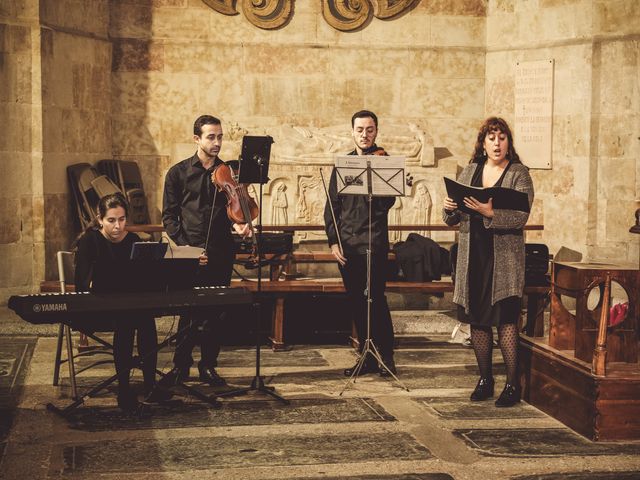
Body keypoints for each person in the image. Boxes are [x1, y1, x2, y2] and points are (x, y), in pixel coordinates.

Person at [443, 117, 534, 407]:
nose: (497, 143)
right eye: (491, 138)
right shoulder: (470, 170)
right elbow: (451, 219)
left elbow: (521, 217)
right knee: (478, 320)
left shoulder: (519, 173)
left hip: (504, 259)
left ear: (509, 142)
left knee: (506, 319)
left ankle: (511, 384)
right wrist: (448, 210)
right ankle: (485, 378)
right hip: (473, 256)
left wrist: (490, 213)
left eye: (502, 137)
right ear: (483, 144)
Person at [161, 115, 250, 387]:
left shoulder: (229, 172)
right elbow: (169, 217)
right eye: (211, 137)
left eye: (220, 137)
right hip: (191, 252)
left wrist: (242, 224)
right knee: (188, 312)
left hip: (221, 250)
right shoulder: (177, 173)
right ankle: (180, 366)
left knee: (216, 312)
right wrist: (186, 247)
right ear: (196, 139)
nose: (217, 142)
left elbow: (237, 207)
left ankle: (208, 366)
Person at [74, 193, 171, 412]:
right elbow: (82, 283)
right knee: (128, 320)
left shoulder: (133, 241)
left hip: (127, 304)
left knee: (145, 319)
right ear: (100, 219)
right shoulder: (90, 240)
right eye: (111, 220)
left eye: (122, 219)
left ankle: (149, 385)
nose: (118, 226)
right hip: (96, 306)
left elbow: (145, 279)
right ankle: (124, 388)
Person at [323, 110, 397, 377]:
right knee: (357, 301)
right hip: (348, 245)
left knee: (375, 299)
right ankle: (366, 356)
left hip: (375, 242)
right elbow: (331, 207)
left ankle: (386, 355)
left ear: (376, 131)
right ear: (352, 131)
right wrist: (334, 242)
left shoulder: (385, 161)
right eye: (360, 130)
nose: (365, 135)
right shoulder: (343, 165)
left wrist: (385, 187)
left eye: (370, 130)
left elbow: (388, 205)